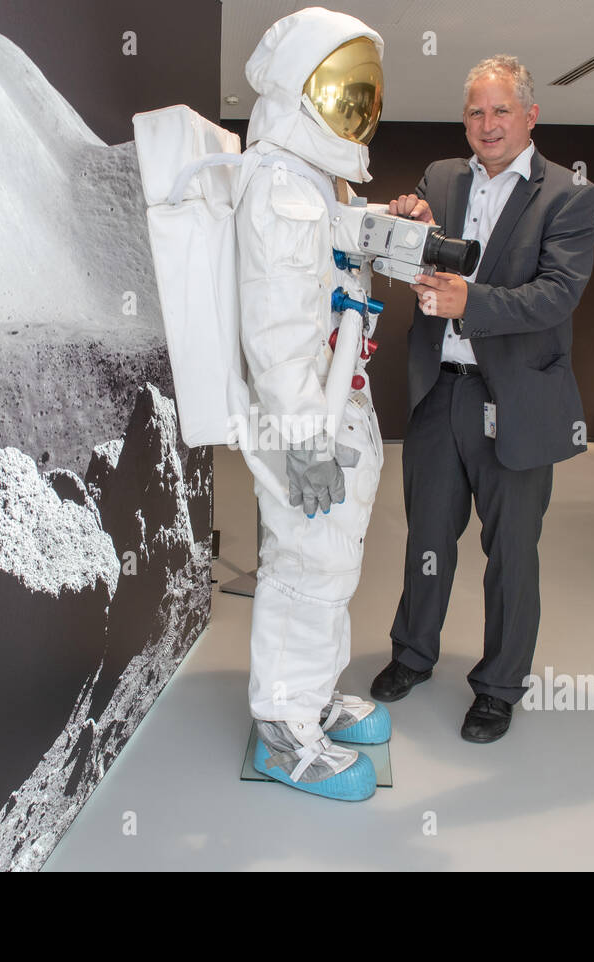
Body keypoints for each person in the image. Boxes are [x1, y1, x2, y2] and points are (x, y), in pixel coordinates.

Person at [369, 55, 594, 743]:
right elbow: (405, 258)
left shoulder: (570, 195)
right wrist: (407, 220)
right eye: (476, 111)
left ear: (531, 115)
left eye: (502, 111)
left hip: (518, 399)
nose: (488, 124)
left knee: (512, 555)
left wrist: (473, 300)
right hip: (440, 391)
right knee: (428, 539)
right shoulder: (441, 177)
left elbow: (557, 294)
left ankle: (499, 687)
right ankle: (412, 654)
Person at [236, 7, 391, 800]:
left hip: (333, 403)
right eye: (342, 90)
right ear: (302, 89)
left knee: (333, 561)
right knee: (306, 562)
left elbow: (324, 274)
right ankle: (280, 732)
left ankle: (315, 696)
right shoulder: (278, 184)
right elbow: (275, 330)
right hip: (305, 415)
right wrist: (306, 439)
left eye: (364, 92)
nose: (357, 108)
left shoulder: (304, 179)